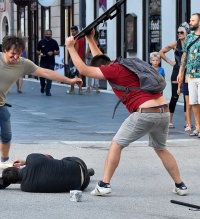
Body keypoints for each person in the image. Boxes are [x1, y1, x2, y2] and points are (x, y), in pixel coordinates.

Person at [66, 29, 188, 197]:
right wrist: (91, 39)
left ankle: (104, 184)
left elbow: (85, 70)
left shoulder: (112, 71)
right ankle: (180, 185)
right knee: (161, 148)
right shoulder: (120, 64)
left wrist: (71, 48)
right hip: (164, 112)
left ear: (102, 69)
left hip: (145, 113)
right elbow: (100, 59)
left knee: (116, 145)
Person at [0, 18, 82, 178]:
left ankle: (4, 160)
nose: (16, 57)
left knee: (7, 134)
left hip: (0, 103)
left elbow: (46, 72)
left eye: (19, 53)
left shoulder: (23, 63)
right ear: (5, 50)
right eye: (13, 53)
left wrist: (69, 80)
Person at [0, 153, 93, 193]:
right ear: (17, 167)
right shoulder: (31, 158)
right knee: (58, 161)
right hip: (79, 165)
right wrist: (25, 162)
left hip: (82, 185)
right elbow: (49, 157)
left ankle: (87, 174)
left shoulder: (26, 188)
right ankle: (87, 171)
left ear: (14, 182)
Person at [159, 24, 189, 128]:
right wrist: (170, 62)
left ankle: (187, 122)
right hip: (176, 71)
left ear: (186, 33)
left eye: (181, 32)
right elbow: (161, 52)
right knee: (174, 97)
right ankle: (170, 121)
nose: (179, 34)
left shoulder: (190, 44)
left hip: (187, 71)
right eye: (178, 32)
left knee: (187, 97)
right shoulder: (175, 44)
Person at [177, 13, 200, 137]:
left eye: (193, 20)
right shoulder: (189, 38)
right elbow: (184, 56)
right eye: (190, 20)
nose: (190, 22)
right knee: (194, 102)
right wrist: (181, 73)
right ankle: (198, 127)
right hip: (190, 75)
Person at [36, 29, 60, 96]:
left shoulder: (54, 42)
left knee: (50, 76)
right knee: (42, 76)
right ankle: (43, 86)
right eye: (47, 34)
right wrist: (41, 53)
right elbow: (37, 51)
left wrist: (53, 52)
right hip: (43, 62)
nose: (48, 36)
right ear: (44, 34)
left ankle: (48, 91)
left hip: (51, 62)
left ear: (51, 35)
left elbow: (58, 52)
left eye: (50, 34)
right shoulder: (41, 42)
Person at [68, 26, 85, 95]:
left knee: (73, 74)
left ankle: (72, 90)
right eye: (71, 31)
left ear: (77, 31)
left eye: (73, 31)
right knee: (79, 75)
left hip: (74, 59)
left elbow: (76, 50)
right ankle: (80, 90)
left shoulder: (76, 39)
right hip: (80, 58)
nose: (72, 33)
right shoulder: (82, 38)